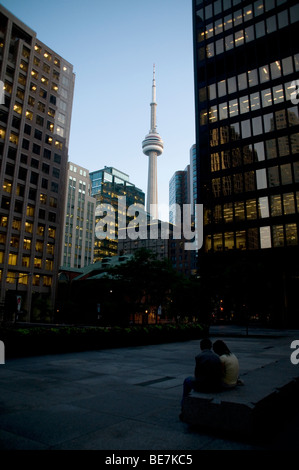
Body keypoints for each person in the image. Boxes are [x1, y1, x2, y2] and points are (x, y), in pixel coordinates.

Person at [181, 338, 222, 403]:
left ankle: (183, 403)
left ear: (201, 347)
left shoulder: (199, 357)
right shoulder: (217, 357)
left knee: (187, 380)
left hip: (204, 386)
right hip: (216, 386)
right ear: (210, 347)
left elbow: (197, 374)